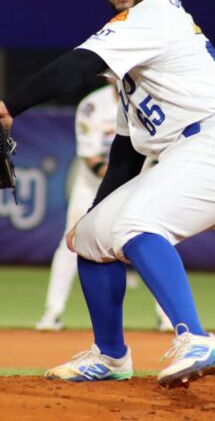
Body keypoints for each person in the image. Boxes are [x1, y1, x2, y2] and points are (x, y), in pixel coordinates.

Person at [0, 0, 215, 388]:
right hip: (200, 150)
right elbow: (126, 148)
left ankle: (194, 337)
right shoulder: (134, 58)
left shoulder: (152, 14)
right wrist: (94, 213)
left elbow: (79, 64)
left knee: (136, 224)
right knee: (93, 235)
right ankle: (110, 355)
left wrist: (11, 106)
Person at [35, 80, 172, 333]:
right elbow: (90, 158)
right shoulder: (92, 105)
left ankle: (168, 317)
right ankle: (52, 313)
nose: (116, 76)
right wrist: (120, 179)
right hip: (92, 185)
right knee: (71, 243)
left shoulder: (154, 101)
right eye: (111, 72)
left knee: (154, 241)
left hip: (141, 183)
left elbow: (161, 152)